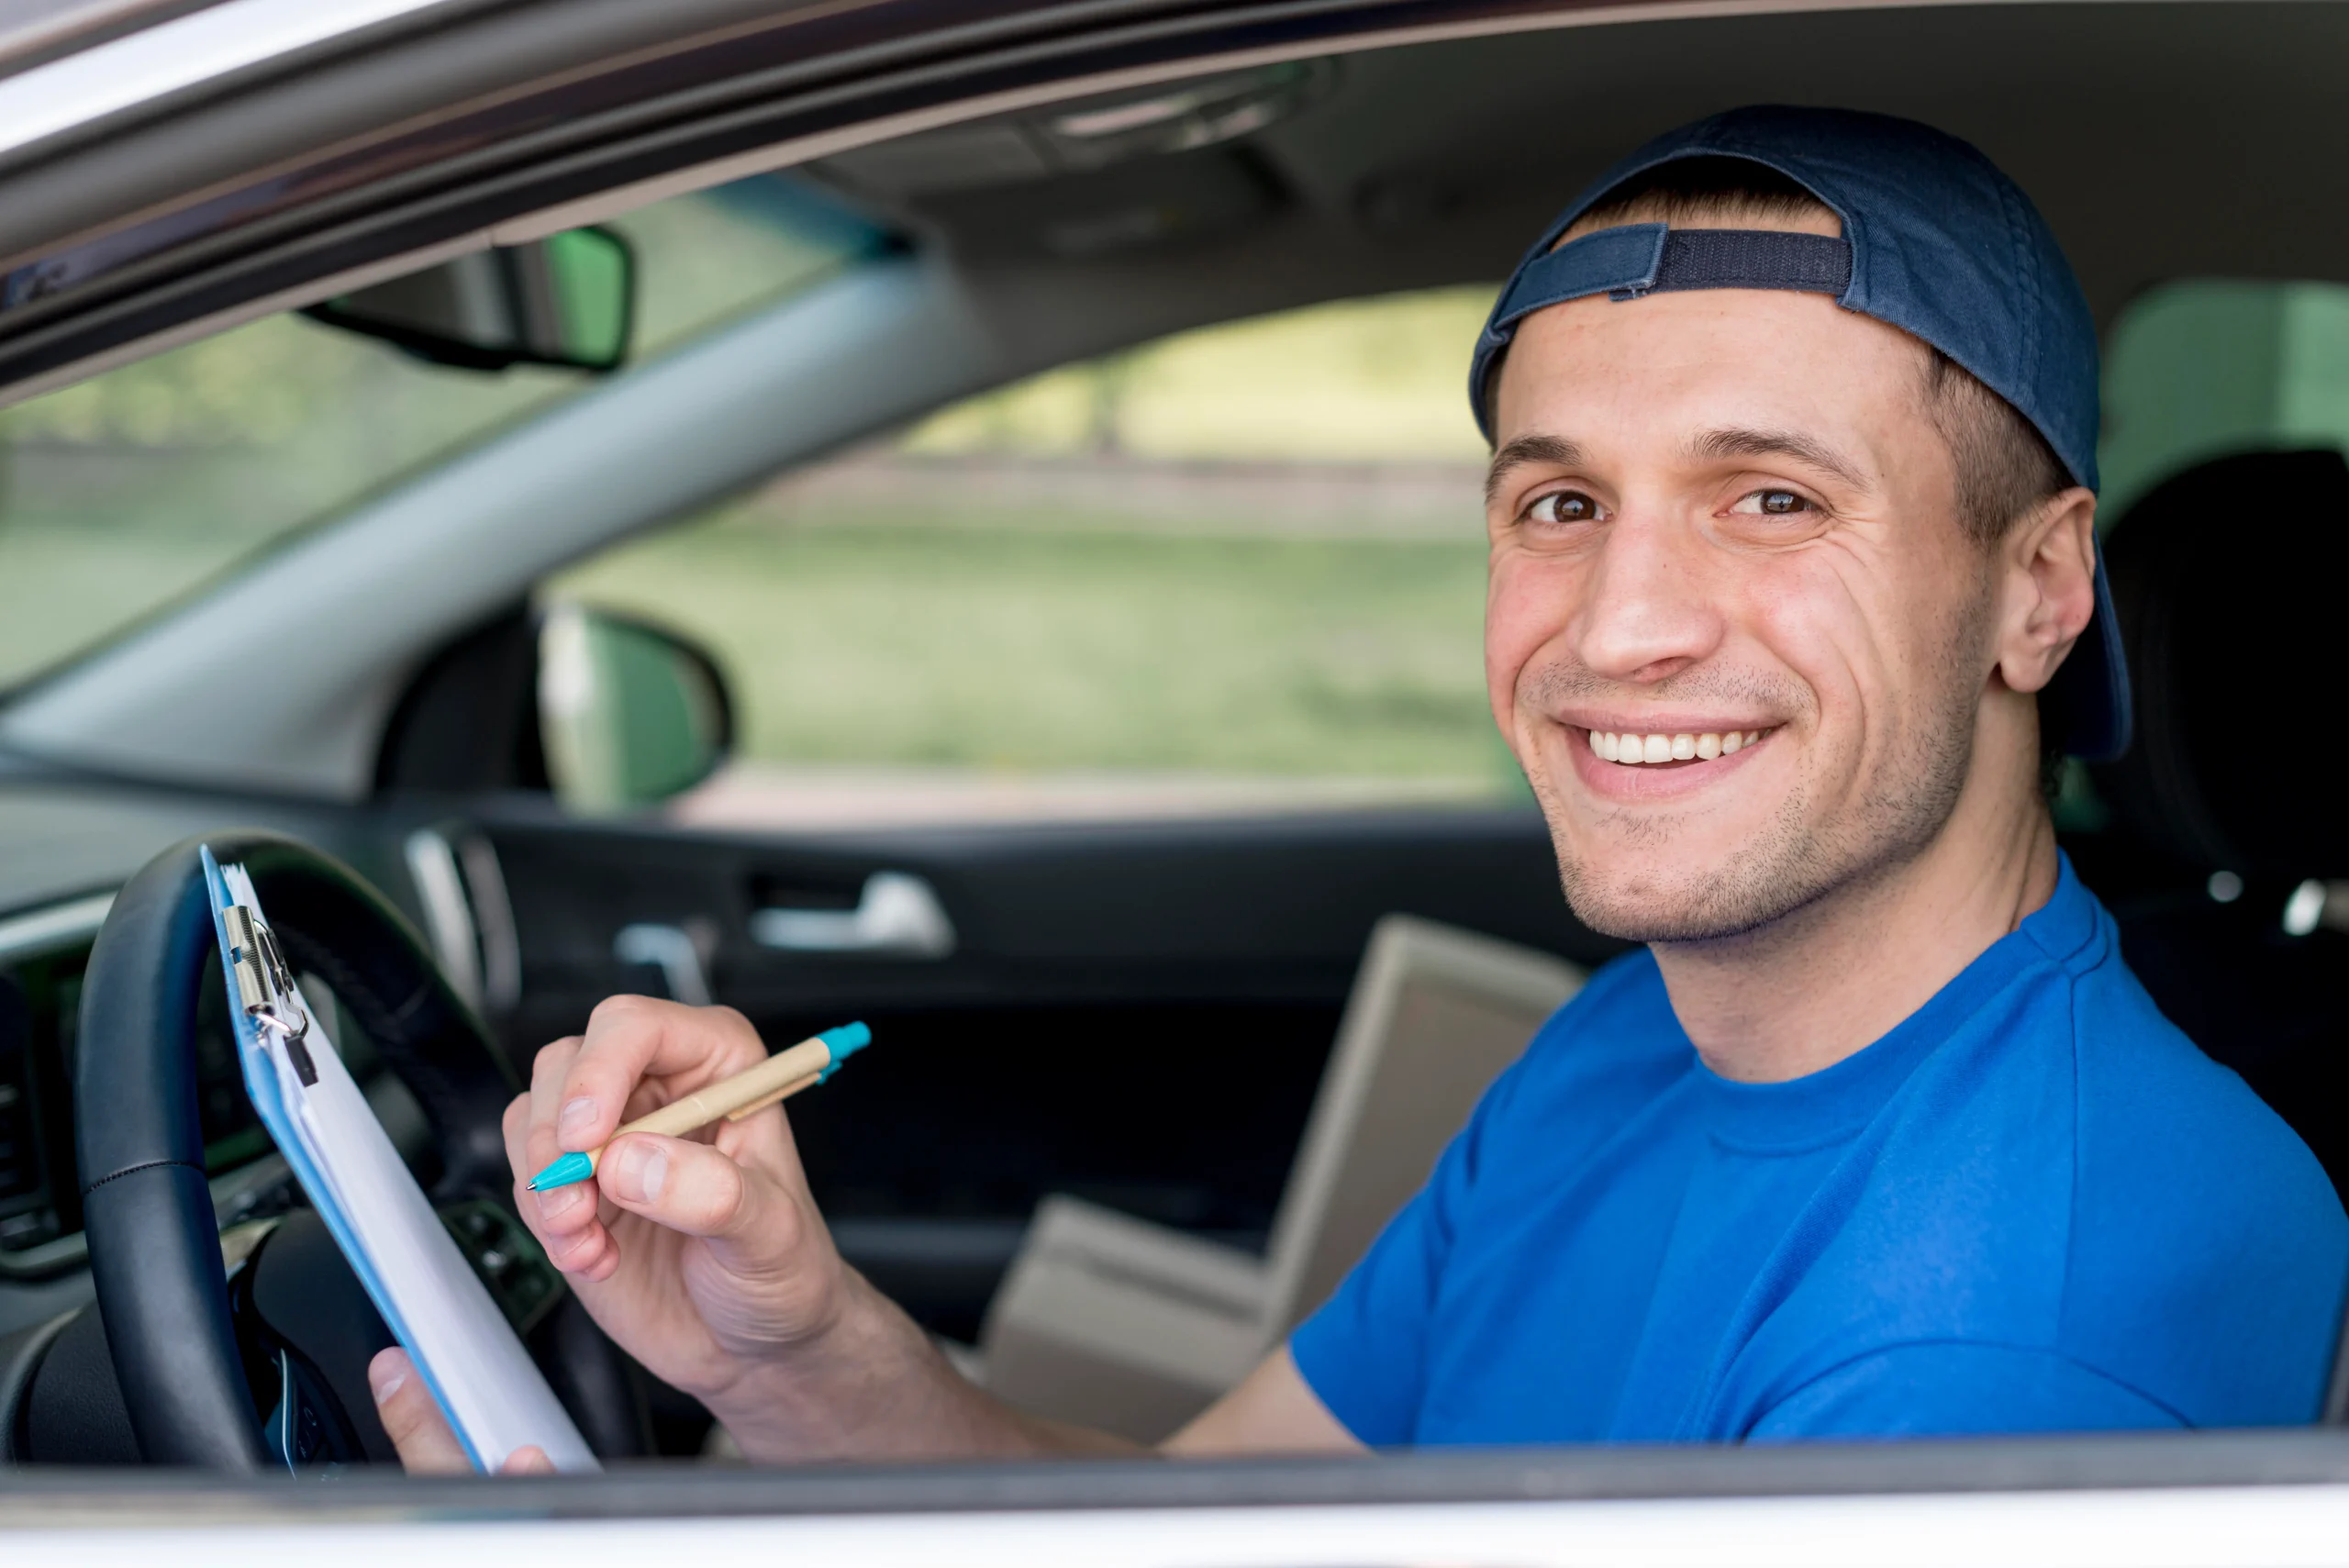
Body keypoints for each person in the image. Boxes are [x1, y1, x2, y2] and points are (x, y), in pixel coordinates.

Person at [374, 106, 2349, 1470]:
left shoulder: (2004, 1317)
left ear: (2034, 589)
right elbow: (1203, 1521)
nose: (1621, 622)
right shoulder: (1642, 1043)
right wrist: (791, 1351)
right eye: (1557, 501)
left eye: (1770, 497)